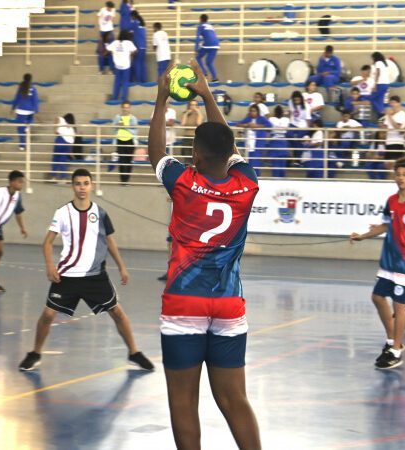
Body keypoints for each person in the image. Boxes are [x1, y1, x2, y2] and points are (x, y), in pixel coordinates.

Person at [148, 60, 261, 450]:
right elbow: (225, 144)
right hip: (229, 304)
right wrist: (207, 92)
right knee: (234, 399)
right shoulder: (247, 184)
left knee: (183, 400)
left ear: (194, 156)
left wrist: (163, 97)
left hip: (184, 302)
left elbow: (156, 151)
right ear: (230, 154)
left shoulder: (183, 181)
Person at [18, 168, 154, 372]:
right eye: (78, 183)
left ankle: (134, 352)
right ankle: (35, 353)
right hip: (68, 276)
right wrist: (49, 265)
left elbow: (110, 241)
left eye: (85, 183)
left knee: (117, 312)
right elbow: (47, 243)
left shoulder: (100, 213)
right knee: (47, 314)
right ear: (73, 186)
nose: (82, 187)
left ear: (91, 186)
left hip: (95, 276)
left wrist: (122, 267)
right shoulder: (63, 212)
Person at [350, 158, 405, 369]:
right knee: (377, 297)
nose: (400, 177)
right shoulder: (391, 201)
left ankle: (396, 350)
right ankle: (391, 340)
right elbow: (385, 226)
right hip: (388, 259)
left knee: (399, 305)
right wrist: (363, 236)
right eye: (398, 174)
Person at [236, 105, 272, 175]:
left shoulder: (262, 118)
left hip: (258, 142)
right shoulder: (248, 118)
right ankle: (250, 176)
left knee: (256, 160)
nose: (252, 112)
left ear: (257, 112)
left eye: (254, 111)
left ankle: (257, 176)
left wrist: (257, 126)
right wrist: (247, 125)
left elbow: (269, 126)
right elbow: (238, 124)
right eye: (251, 111)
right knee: (249, 160)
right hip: (249, 143)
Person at [106, 30, 137, 102]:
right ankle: (124, 98)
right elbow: (135, 51)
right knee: (125, 82)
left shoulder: (115, 42)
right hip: (126, 66)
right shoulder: (128, 43)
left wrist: (114, 53)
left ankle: (115, 97)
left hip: (117, 66)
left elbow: (107, 50)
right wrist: (131, 55)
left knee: (117, 82)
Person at [12, 74, 39, 151]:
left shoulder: (21, 87)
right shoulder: (33, 88)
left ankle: (22, 145)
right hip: (30, 111)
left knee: (20, 129)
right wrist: (36, 110)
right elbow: (35, 100)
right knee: (29, 122)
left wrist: (13, 107)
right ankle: (28, 126)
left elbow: (16, 98)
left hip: (21, 110)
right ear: (31, 79)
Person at [113, 101, 139, 183]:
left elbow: (135, 131)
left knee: (129, 160)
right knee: (121, 160)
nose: (126, 109)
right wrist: (118, 126)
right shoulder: (117, 117)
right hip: (120, 140)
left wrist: (125, 127)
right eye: (124, 107)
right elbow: (113, 128)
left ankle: (127, 179)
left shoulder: (133, 118)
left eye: (127, 107)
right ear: (122, 108)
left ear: (130, 108)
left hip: (130, 141)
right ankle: (122, 180)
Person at [381, 95, 405, 164]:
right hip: (388, 142)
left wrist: (389, 116)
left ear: (399, 103)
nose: (392, 104)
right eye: (391, 103)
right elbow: (385, 127)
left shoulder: (402, 114)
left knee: (395, 165)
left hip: (397, 143)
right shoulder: (388, 115)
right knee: (387, 165)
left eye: (394, 102)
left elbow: (397, 128)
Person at [288, 90, 312, 164]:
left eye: (298, 100)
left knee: (297, 139)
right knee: (288, 136)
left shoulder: (306, 106)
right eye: (295, 100)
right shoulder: (291, 102)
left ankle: (298, 159)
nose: (296, 101)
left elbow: (308, 119)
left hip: (302, 125)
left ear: (301, 99)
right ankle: (293, 159)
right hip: (293, 124)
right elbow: (291, 113)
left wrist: (308, 130)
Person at [267, 105, 291, 177]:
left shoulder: (271, 119)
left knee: (275, 164)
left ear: (275, 112)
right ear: (282, 112)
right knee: (282, 164)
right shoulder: (286, 120)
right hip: (283, 141)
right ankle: (282, 179)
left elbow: (269, 130)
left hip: (275, 140)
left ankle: (276, 178)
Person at [195, 14, 220, 82]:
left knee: (198, 57)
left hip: (208, 44)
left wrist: (196, 49)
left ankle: (204, 73)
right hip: (216, 44)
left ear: (200, 19)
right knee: (209, 62)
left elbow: (198, 38)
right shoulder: (211, 26)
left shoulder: (200, 26)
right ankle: (215, 78)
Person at [52, 114, 76, 181]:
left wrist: (55, 128)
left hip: (60, 140)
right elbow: (72, 141)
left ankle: (54, 177)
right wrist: (71, 152)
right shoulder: (72, 129)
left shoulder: (63, 121)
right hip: (68, 144)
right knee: (63, 161)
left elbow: (57, 118)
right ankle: (63, 177)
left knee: (55, 160)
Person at [97, 1, 117, 74]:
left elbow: (112, 19)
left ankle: (111, 69)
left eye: (112, 8)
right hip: (103, 32)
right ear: (107, 7)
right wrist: (100, 30)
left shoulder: (113, 10)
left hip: (110, 31)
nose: (111, 9)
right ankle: (100, 70)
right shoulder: (102, 10)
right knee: (101, 52)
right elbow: (98, 18)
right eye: (110, 8)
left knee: (111, 51)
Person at [129, 11, 148, 83]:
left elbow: (129, 34)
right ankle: (143, 81)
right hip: (143, 46)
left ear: (133, 16)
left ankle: (138, 81)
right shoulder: (142, 23)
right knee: (142, 64)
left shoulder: (134, 23)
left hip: (138, 46)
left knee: (137, 64)